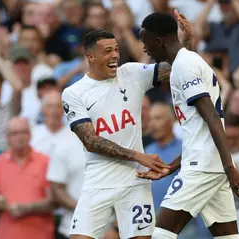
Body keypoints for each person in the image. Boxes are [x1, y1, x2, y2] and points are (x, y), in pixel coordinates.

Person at [61, 15, 192, 239]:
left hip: (135, 182)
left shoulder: (131, 73)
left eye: (116, 50)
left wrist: (185, 43)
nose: (115, 56)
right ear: (90, 57)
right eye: (107, 51)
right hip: (98, 183)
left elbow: (173, 67)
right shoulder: (74, 93)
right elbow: (90, 141)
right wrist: (137, 156)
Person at [137, 11, 239, 239]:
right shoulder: (187, 61)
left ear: (158, 41)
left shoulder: (185, 66)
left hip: (204, 166)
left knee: (161, 233)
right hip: (210, 163)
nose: (144, 49)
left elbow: (211, 117)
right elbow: (200, 131)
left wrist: (230, 168)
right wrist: (171, 167)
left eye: (145, 41)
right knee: (227, 236)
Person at [0, 117, 55, 239]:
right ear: (7, 138)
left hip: (41, 234)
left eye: (23, 132)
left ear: (30, 135)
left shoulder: (45, 161)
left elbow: (55, 202)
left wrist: (28, 208)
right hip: (7, 234)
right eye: (14, 133)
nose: (19, 137)